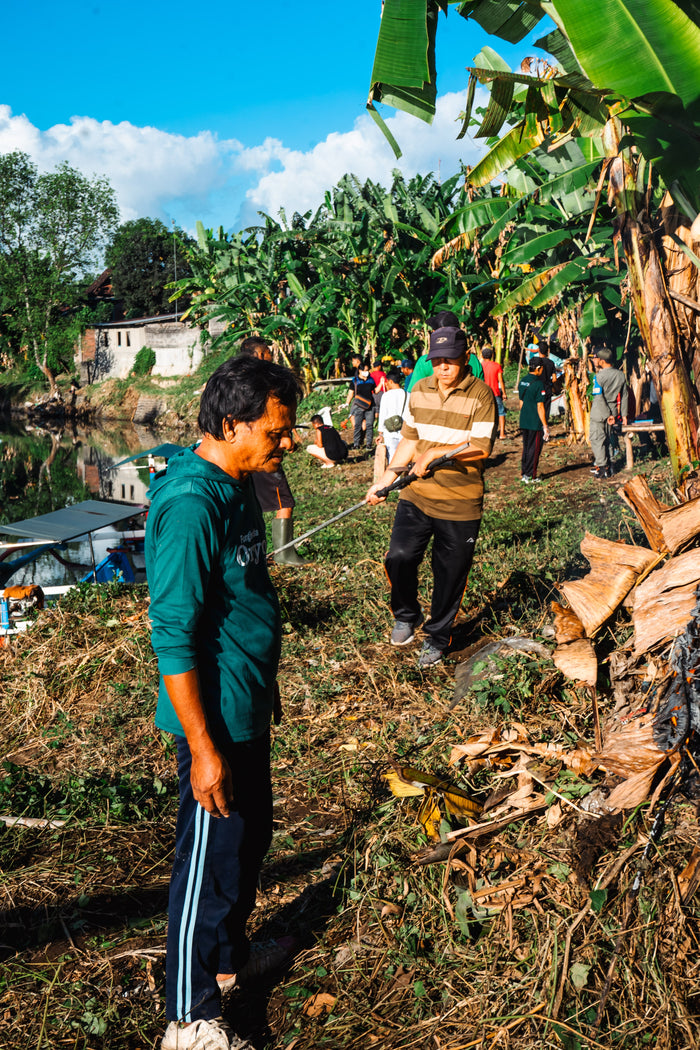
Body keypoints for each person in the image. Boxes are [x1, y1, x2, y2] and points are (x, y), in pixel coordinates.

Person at [146, 355, 300, 1050]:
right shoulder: (189, 504)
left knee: (247, 844)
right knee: (206, 862)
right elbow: (174, 636)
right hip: (212, 719)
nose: (286, 443)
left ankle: (229, 962)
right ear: (232, 424)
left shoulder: (239, 482)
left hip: (245, 703)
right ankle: (188, 1016)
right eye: (276, 432)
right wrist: (203, 749)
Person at [366, 327, 497, 669]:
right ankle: (407, 614)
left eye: (449, 360)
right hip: (416, 494)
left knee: (449, 574)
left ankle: (438, 637)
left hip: (460, 501)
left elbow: (481, 446)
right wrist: (386, 478)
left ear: (464, 358)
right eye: (436, 360)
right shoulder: (420, 389)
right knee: (399, 557)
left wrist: (435, 454)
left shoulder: (481, 395)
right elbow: (410, 439)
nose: (442, 367)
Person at [239, 336, 307, 566]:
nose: (270, 355)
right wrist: (286, 436)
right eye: (268, 352)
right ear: (259, 354)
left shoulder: (237, 377)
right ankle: (284, 553)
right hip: (263, 450)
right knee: (284, 501)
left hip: (242, 451)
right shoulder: (263, 381)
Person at [407, 311, 483, 392]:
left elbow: (413, 393)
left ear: (434, 333)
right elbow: (482, 390)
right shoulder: (473, 360)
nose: (443, 366)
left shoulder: (424, 362)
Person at [589, 347, 629, 478]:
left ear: (601, 361)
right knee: (609, 438)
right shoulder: (620, 375)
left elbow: (599, 397)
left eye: (596, 358)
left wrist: (607, 415)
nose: (594, 360)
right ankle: (611, 465)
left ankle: (602, 468)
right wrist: (623, 415)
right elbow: (624, 396)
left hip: (600, 413)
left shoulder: (599, 376)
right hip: (613, 410)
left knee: (597, 439)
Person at [518, 358, 549, 484]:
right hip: (534, 422)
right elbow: (540, 406)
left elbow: (521, 401)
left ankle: (524, 473)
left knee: (526, 447)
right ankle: (531, 475)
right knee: (534, 449)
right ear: (538, 369)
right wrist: (545, 425)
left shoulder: (523, 381)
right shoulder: (538, 383)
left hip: (524, 419)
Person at [377, 369, 407, 463]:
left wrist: (380, 433)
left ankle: (395, 478)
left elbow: (382, 414)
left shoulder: (386, 396)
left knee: (392, 457)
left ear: (390, 381)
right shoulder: (407, 394)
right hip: (404, 430)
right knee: (405, 456)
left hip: (389, 431)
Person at [345, 362, 376, 450]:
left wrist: (381, 383)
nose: (366, 372)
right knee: (357, 425)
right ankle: (356, 444)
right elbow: (350, 393)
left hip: (370, 405)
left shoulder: (371, 380)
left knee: (369, 425)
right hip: (359, 406)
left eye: (367, 370)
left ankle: (369, 443)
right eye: (364, 370)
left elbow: (375, 390)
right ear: (359, 370)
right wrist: (347, 403)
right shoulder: (355, 381)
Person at [480, 346, 507, 439]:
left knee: (485, 413)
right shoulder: (496, 366)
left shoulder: (480, 366)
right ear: (492, 356)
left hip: (483, 393)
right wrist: (504, 393)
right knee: (501, 412)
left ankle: (486, 433)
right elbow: (501, 380)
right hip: (495, 392)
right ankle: (502, 434)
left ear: (482, 356)